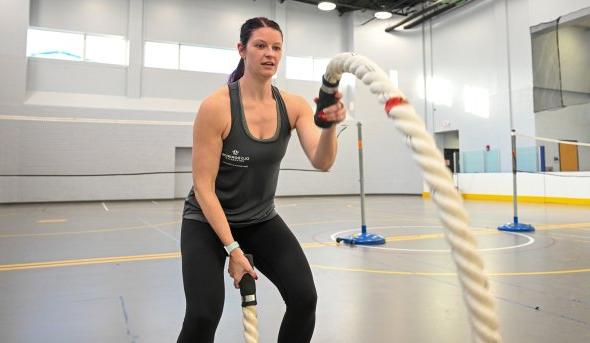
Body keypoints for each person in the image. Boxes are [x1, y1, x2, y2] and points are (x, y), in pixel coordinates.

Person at [177, 16, 346, 343]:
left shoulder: (293, 105)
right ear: (242, 50)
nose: (270, 53)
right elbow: (203, 188)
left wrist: (330, 125)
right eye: (260, 46)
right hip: (207, 222)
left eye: (276, 47)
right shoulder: (217, 107)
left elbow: (323, 161)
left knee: (304, 299)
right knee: (203, 314)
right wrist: (233, 249)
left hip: (260, 219)